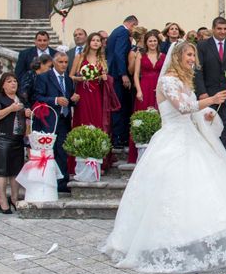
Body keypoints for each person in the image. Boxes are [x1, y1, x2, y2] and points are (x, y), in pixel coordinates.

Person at [102, 41, 226, 272]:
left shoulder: (185, 81)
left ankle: (199, 236)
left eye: (193, 55)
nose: (192, 59)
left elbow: (193, 111)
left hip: (190, 137)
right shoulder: (167, 81)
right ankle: (165, 241)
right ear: (177, 56)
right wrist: (212, 100)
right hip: (172, 140)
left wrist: (206, 113)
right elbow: (184, 108)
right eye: (188, 54)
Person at [70, 32, 120, 172]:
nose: (96, 43)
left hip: (97, 94)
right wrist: (82, 78)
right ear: (89, 42)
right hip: (84, 93)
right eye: (93, 40)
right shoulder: (80, 57)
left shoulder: (102, 59)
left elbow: (106, 78)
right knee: (84, 122)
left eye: (98, 40)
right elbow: (71, 75)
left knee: (98, 123)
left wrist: (104, 77)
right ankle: (81, 159)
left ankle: (98, 161)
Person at [195, 17, 226, 156]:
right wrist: (202, 92)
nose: (222, 32)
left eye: (225, 29)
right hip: (208, 95)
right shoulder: (202, 46)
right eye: (219, 29)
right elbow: (198, 70)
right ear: (213, 29)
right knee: (208, 123)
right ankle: (208, 154)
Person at [34, 52, 80, 192]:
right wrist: (55, 100)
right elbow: (38, 96)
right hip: (48, 120)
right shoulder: (44, 77)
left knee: (62, 151)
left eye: (66, 62)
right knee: (48, 151)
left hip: (64, 120)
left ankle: (62, 182)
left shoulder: (68, 79)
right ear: (54, 62)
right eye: (61, 62)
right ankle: (46, 181)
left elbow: (68, 101)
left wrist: (73, 100)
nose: (64, 65)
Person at [0, 73, 30, 213]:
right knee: (2, 171)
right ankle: (2, 199)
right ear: (3, 85)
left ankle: (14, 197)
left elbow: (26, 112)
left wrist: (28, 112)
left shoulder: (21, 98)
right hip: (2, 138)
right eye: (9, 81)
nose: (13, 84)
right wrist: (11, 109)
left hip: (18, 138)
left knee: (16, 171)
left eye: (15, 81)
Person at [127, 30, 165, 164]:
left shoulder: (163, 56)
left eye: (155, 41)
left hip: (159, 88)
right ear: (146, 42)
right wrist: (138, 90)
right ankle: (139, 151)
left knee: (159, 117)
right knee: (142, 118)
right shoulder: (140, 56)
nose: (153, 43)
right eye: (150, 41)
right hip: (145, 87)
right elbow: (136, 74)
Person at [107, 16, 139, 148]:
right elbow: (119, 54)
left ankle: (119, 136)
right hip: (117, 75)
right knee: (119, 105)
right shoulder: (123, 32)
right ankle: (119, 137)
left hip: (114, 73)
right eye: (135, 27)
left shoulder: (116, 31)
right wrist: (123, 74)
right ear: (132, 24)